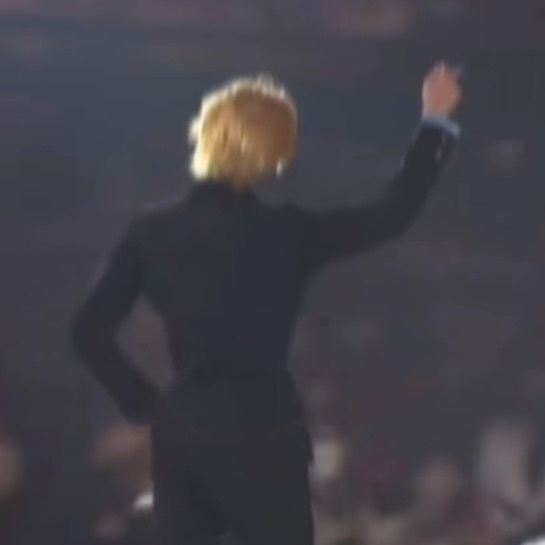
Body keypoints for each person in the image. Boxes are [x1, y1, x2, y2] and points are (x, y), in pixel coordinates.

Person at [72, 63, 463, 545]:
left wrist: (148, 405)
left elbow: (88, 332)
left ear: (206, 137)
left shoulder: (150, 233)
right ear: (276, 151)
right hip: (263, 429)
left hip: (184, 431)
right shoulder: (284, 233)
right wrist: (435, 121)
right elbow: (392, 213)